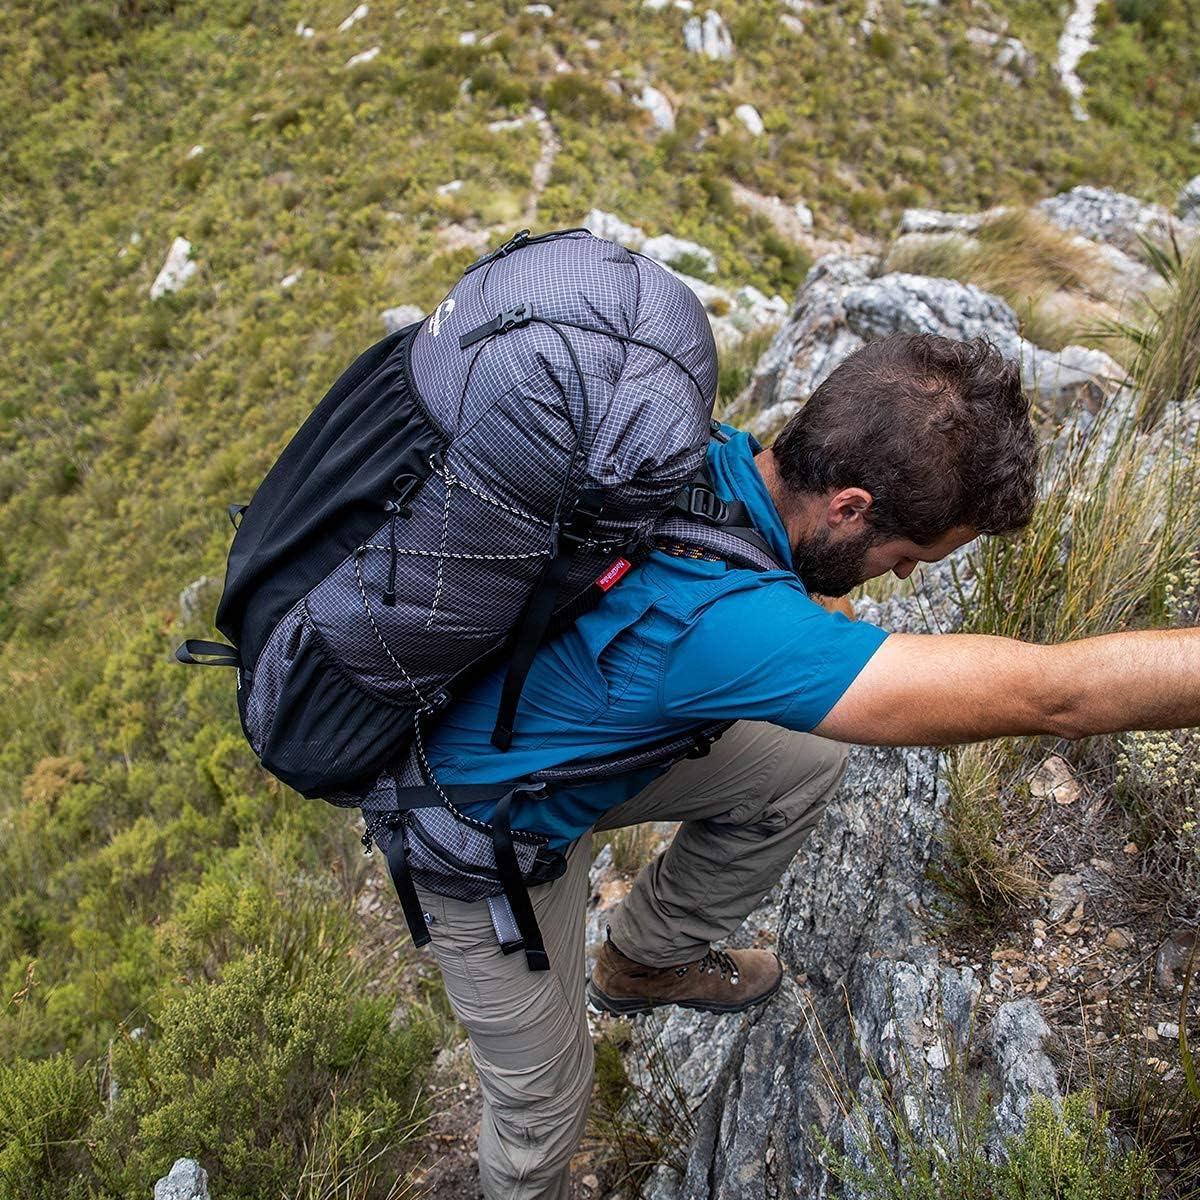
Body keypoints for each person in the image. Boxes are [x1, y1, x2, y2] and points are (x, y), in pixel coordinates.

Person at [411, 332, 1199, 1200]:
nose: (901, 580)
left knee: (801, 758)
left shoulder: (706, 452)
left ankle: (643, 960)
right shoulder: (728, 628)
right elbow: (1058, 698)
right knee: (543, 1110)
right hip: (484, 832)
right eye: (906, 558)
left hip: (553, 739)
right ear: (850, 508)